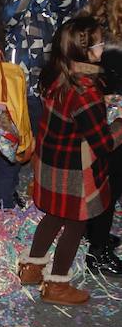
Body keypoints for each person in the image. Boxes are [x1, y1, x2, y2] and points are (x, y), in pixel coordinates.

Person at [18, 17, 119, 305]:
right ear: (85, 51)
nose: (103, 47)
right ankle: (57, 284)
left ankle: (31, 266)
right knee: (75, 225)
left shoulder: (58, 74)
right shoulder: (86, 91)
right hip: (74, 170)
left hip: (51, 162)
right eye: (99, 43)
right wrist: (120, 123)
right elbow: (104, 143)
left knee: (53, 216)